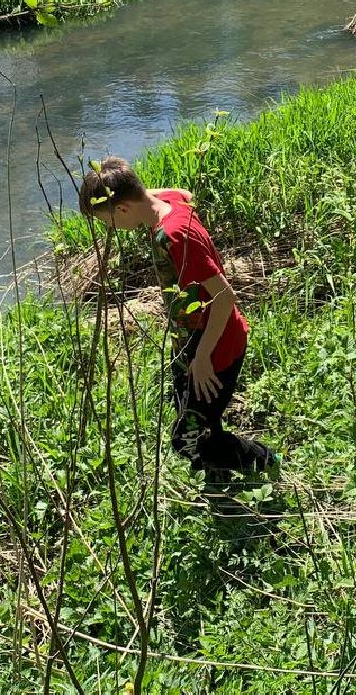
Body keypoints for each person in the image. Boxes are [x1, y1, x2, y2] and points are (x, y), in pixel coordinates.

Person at [79, 156, 277, 484]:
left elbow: (225, 298)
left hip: (215, 345)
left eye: (108, 222)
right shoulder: (164, 203)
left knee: (188, 440)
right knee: (193, 414)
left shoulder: (176, 237)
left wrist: (202, 359)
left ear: (123, 210)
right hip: (190, 337)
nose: (110, 229)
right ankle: (218, 481)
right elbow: (180, 191)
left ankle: (264, 460)